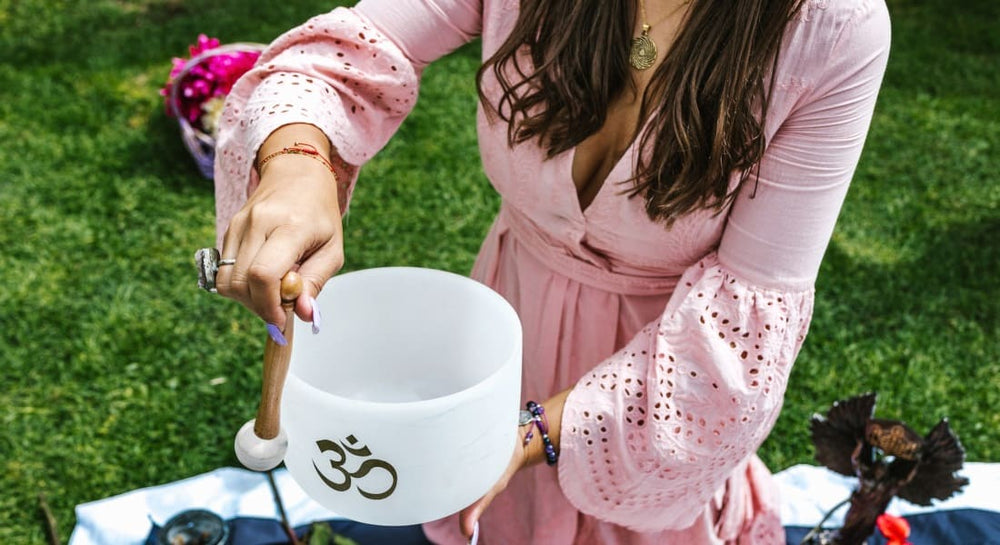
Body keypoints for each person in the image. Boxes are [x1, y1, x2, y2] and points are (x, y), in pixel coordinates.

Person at [210, 0, 890, 543]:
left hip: (664, 383)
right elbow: (339, 59)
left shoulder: (835, 29)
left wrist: (530, 435)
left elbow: (743, 332)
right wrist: (298, 165)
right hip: (508, 315)